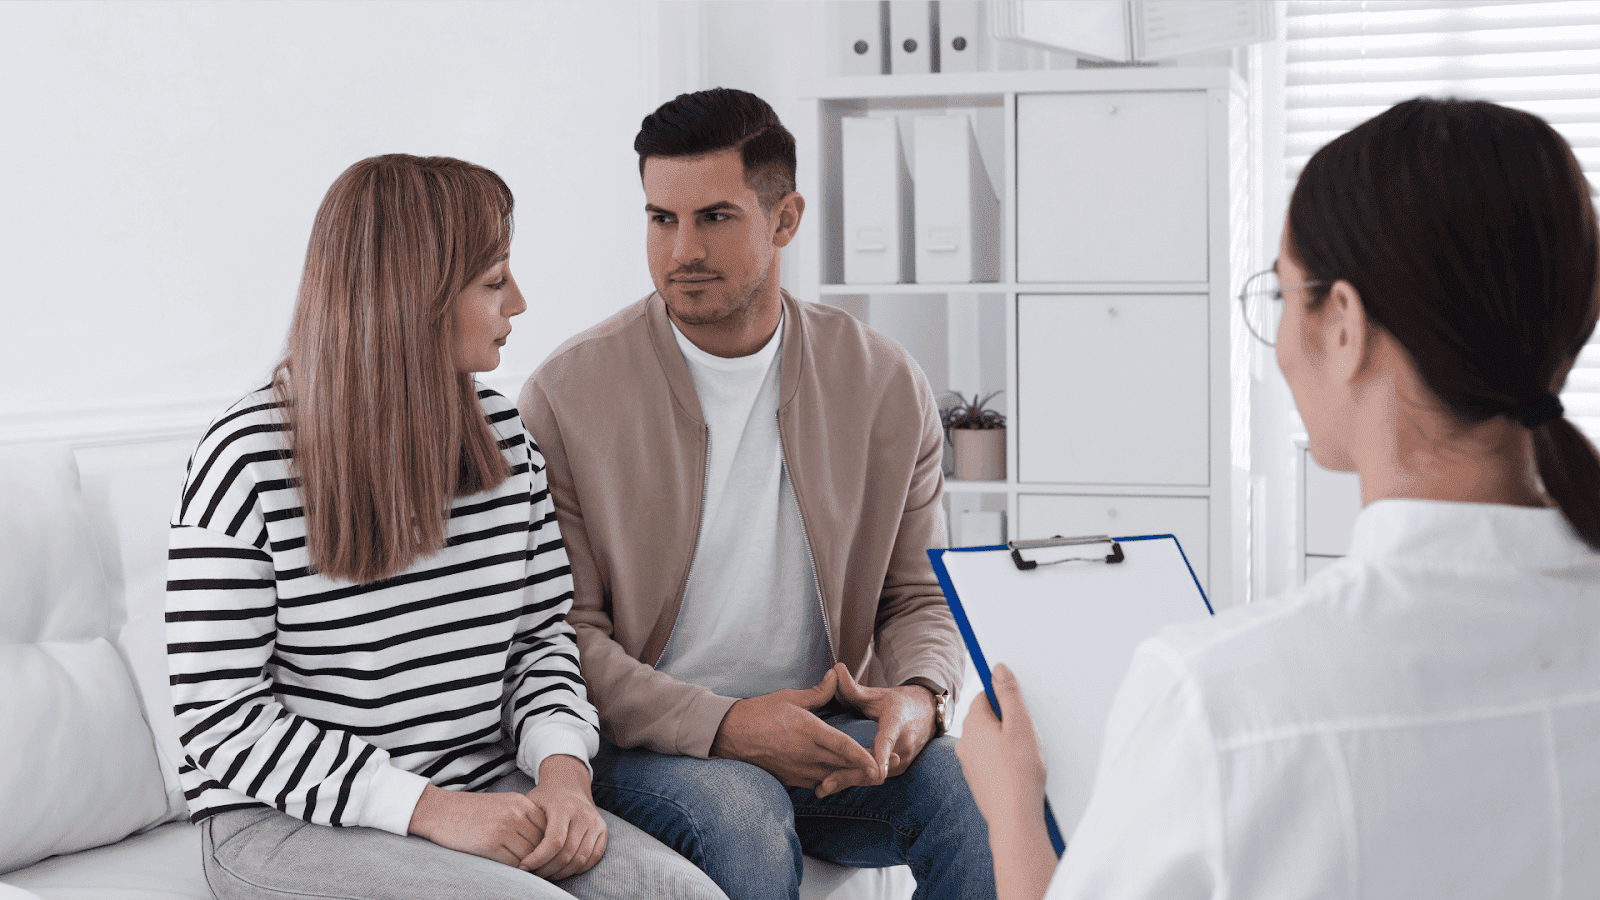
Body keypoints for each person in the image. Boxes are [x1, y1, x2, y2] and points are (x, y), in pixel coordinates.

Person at [956, 97, 1600, 899]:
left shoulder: (1220, 701)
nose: (1282, 347)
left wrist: (1012, 811)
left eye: (1282, 296)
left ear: (1343, 324)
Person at [166, 154, 725, 900]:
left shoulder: (504, 437)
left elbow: (538, 642)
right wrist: (430, 810)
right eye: (494, 282)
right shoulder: (246, 457)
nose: (519, 302)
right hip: (283, 822)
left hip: (480, 786)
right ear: (413, 299)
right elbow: (220, 717)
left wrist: (563, 774)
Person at [518, 88, 995, 899]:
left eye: (715, 217)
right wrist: (728, 725)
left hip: (822, 735)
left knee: (972, 791)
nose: (682, 251)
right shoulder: (567, 394)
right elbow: (565, 636)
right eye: (661, 219)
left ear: (784, 219)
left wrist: (921, 695)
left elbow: (917, 595)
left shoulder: (883, 383)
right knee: (742, 815)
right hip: (650, 746)